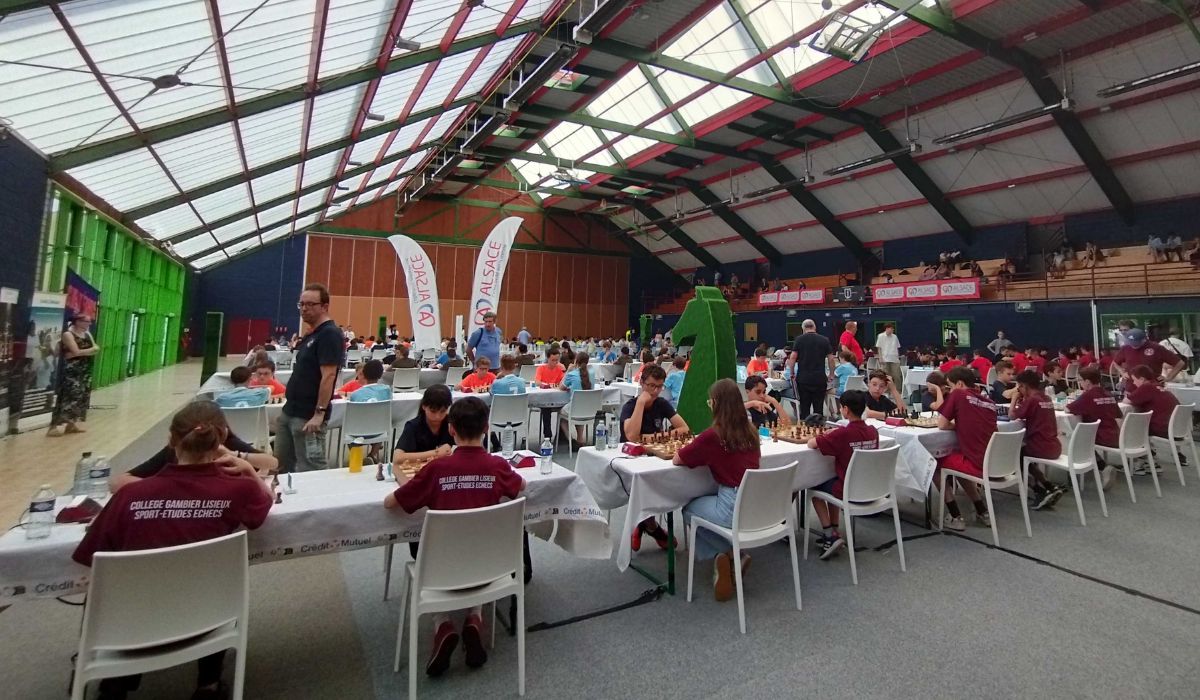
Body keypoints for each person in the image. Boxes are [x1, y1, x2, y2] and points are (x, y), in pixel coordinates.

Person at [76, 401, 273, 700]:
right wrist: (248, 471)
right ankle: (208, 685)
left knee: (117, 587)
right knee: (213, 580)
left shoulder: (129, 496)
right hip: (207, 616)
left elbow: (92, 558)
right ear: (222, 438)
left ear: (171, 440)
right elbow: (264, 502)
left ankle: (114, 682)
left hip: (127, 625)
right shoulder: (239, 490)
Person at [384, 396, 525, 677]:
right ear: (486, 428)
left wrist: (401, 477)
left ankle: (443, 624)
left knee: (431, 558)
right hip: (490, 567)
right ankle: (474, 618)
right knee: (476, 547)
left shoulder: (436, 469)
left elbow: (391, 503)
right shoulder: (496, 465)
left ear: (451, 429)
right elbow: (522, 486)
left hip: (440, 571)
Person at [673, 379, 761, 600]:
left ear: (717, 404)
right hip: (754, 505)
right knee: (704, 502)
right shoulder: (752, 432)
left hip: (731, 504)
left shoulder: (713, 435)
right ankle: (729, 557)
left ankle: (728, 553)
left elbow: (678, 459)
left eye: (710, 402)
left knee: (688, 510)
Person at [276, 283, 344, 473]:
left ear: (324, 306)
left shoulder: (329, 334)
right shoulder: (312, 334)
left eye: (310, 304)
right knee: (280, 467)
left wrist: (319, 413)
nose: (304, 308)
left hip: (308, 416)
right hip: (290, 411)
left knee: (311, 470)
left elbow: (329, 375)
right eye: (302, 304)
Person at [620, 364, 690, 550]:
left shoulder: (662, 404)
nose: (655, 391)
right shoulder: (630, 406)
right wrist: (641, 404)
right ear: (642, 383)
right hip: (632, 460)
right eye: (651, 385)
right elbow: (631, 436)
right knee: (646, 484)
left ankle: (645, 525)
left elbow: (684, 429)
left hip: (656, 455)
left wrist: (652, 438)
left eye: (659, 386)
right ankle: (651, 526)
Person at [807, 390, 879, 558]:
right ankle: (835, 530)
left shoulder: (843, 433)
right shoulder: (873, 431)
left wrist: (830, 435)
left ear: (845, 410)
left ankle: (829, 535)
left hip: (850, 490)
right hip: (871, 488)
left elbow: (812, 444)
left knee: (814, 487)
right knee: (832, 480)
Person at [935, 367, 998, 530]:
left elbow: (942, 424)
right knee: (958, 460)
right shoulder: (990, 403)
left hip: (977, 464)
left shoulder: (958, 394)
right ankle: (981, 510)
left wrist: (956, 426)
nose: (950, 391)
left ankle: (955, 515)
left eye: (950, 386)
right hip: (993, 463)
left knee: (933, 461)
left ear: (960, 384)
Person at [1010, 370, 1067, 509]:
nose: (1019, 390)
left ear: (1024, 386)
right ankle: (1049, 486)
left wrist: (1014, 399)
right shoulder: (1046, 398)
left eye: (1019, 387)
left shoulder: (1032, 400)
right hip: (1054, 445)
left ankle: (1039, 491)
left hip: (1040, 447)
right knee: (1022, 453)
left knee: (1013, 455)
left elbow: (1012, 415)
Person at [1066, 366, 1122, 490]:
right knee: (1082, 437)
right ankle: (1102, 467)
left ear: (1087, 381)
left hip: (1101, 436)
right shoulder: (1108, 394)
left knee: (1074, 437)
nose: (1080, 383)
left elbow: (1068, 409)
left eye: (1080, 380)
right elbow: (1119, 415)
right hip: (1116, 434)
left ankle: (1101, 468)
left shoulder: (1088, 395)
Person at [46, 313, 100, 437]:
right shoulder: (68, 334)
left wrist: (83, 352)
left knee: (80, 397)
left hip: (84, 370)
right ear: (78, 322)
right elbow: (76, 351)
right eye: (86, 321)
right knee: (67, 396)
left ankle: (71, 424)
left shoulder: (87, 334)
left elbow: (96, 349)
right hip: (72, 370)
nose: (89, 324)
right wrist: (89, 351)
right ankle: (53, 427)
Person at [785, 319, 835, 418]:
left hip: (803, 378)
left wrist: (791, 372)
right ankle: (819, 425)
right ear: (814, 327)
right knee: (818, 406)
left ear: (803, 328)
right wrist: (831, 374)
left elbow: (793, 357)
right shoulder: (824, 340)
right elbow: (831, 359)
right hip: (819, 378)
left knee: (804, 406)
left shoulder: (799, 339)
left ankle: (805, 424)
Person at [1124, 365, 1181, 447]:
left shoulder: (1147, 387)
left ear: (1142, 379)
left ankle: (1135, 450)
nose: (1133, 383)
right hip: (1177, 429)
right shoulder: (1158, 386)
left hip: (1164, 429)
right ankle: (1148, 449)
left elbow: (1127, 401)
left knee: (1130, 423)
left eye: (1134, 380)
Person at [1115, 328, 1185, 383]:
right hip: (1132, 385)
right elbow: (1116, 362)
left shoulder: (1156, 348)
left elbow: (1180, 363)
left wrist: (1169, 377)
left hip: (1152, 385)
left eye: (1136, 343)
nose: (1133, 345)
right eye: (1131, 343)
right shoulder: (1126, 348)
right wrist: (1122, 372)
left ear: (1144, 339)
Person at [559, 352, 599, 444]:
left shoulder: (572, 374)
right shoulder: (592, 373)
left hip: (575, 407)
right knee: (579, 411)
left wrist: (568, 371)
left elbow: (561, 387)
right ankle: (580, 438)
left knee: (562, 416)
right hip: (589, 408)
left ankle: (570, 439)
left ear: (576, 361)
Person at [874, 323, 903, 389]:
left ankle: (898, 390)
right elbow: (879, 348)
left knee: (897, 375)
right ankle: (886, 390)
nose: (892, 330)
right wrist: (880, 358)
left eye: (893, 329)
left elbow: (897, 347)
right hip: (885, 358)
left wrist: (898, 357)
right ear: (887, 328)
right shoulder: (880, 336)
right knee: (886, 376)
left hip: (894, 358)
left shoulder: (895, 337)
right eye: (891, 328)